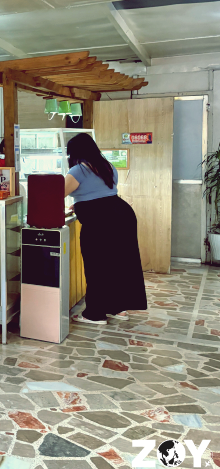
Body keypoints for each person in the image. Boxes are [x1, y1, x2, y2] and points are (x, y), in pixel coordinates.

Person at [65, 132, 147, 325]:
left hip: (100, 220)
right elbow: (101, 193)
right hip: (121, 214)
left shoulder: (78, 170)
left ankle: (94, 314)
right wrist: (80, 202)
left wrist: (79, 203)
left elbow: (55, 193)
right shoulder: (107, 166)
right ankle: (118, 308)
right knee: (119, 263)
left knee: (96, 265)